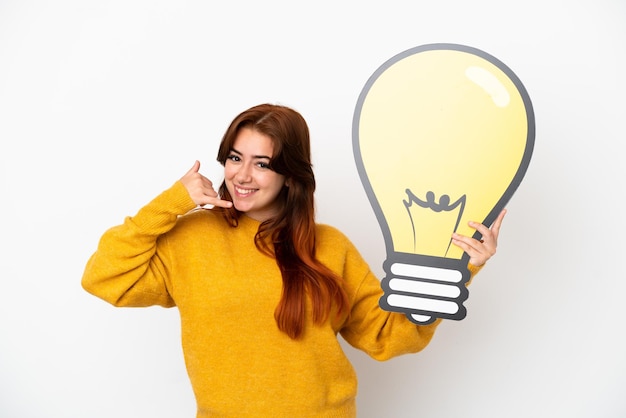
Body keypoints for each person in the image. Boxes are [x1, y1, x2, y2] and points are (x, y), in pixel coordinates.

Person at [81, 103, 506, 418]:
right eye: (234, 157)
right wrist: (172, 202)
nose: (242, 175)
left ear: (290, 173)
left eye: (262, 163)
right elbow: (104, 277)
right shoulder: (191, 238)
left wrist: (459, 269)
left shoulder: (329, 246)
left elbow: (388, 337)